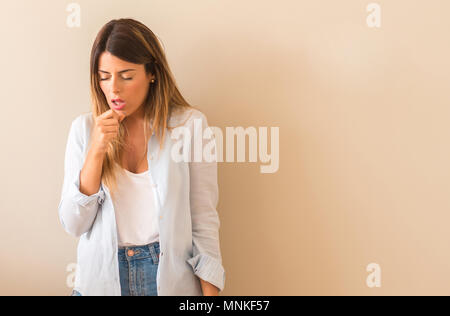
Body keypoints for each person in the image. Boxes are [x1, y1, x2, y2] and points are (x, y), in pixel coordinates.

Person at [58, 18, 225, 296]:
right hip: (100, 282)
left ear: (152, 73)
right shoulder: (84, 130)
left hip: (168, 281)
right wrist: (96, 150)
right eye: (104, 76)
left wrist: (210, 296)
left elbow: (204, 221)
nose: (114, 89)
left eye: (126, 76)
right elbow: (75, 223)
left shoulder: (190, 126)